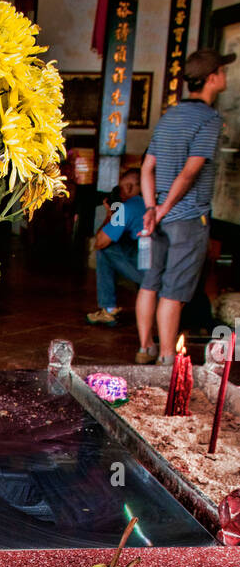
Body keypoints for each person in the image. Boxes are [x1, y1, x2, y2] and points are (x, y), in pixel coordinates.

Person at [135, 47, 234, 365]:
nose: (225, 76)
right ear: (212, 78)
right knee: (173, 292)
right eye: (222, 71)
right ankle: (166, 359)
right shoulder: (209, 119)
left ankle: (144, 348)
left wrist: (152, 209)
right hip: (187, 218)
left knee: (150, 283)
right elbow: (191, 172)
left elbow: (146, 167)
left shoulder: (170, 115)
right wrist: (163, 211)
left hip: (157, 217)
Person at [86, 167, 145, 325]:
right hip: (160, 266)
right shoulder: (147, 203)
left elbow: (100, 242)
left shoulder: (127, 208)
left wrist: (109, 216)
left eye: (126, 186)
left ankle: (108, 309)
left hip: (146, 271)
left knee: (104, 250)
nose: (126, 189)